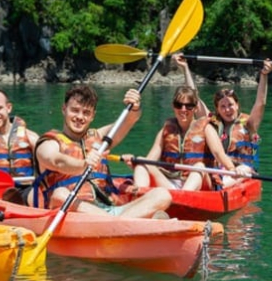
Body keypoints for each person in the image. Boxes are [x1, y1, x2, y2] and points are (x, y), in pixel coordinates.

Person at [32, 85, 171, 218]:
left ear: (93, 116)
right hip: (73, 211)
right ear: (64, 109)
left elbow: (127, 121)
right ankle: (127, 223)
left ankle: (117, 223)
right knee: (60, 194)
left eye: (86, 113)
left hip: (109, 209)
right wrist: (82, 165)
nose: (80, 117)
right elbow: (56, 161)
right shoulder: (49, 143)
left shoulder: (99, 138)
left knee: (162, 195)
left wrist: (134, 108)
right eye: (75, 110)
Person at [127, 85, 249, 191]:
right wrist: (136, 162)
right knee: (142, 161)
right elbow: (150, 160)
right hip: (170, 182)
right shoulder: (166, 129)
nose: (183, 110)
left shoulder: (206, 128)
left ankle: (182, 197)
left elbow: (218, 154)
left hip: (200, 183)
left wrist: (233, 169)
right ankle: (139, 196)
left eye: (188, 106)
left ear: (195, 108)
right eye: (178, 105)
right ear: (173, 107)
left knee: (199, 166)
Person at [177, 52, 272, 178]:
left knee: (238, 172)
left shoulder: (249, 124)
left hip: (242, 170)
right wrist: (185, 68)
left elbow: (260, 103)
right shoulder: (212, 121)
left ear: (237, 105)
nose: (227, 110)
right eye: (222, 107)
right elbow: (194, 97)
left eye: (230, 105)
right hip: (217, 171)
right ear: (217, 109)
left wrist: (264, 75)